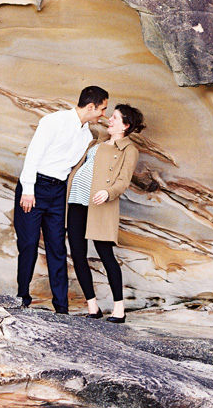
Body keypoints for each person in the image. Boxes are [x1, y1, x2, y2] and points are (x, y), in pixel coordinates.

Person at [14, 85, 109, 313]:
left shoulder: (86, 134)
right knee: (28, 245)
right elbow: (33, 153)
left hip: (58, 193)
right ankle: (22, 297)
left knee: (57, 247)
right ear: (90, 106)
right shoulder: (53, 121)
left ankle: (61, 307)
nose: (103, 114)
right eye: (102, 109)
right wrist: (28, 189)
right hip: (34, 187)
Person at [67, 103, 144, 323]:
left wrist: (108, 192)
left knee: (106, 254)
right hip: (76, 201)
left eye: (115, 118)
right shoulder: (96, 143)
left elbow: (123, 181)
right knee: (78, 253)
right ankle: (93, 306)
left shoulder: (129, 150)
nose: (110, 119)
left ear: (126, 125)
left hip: (100, 204)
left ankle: (119, 308)